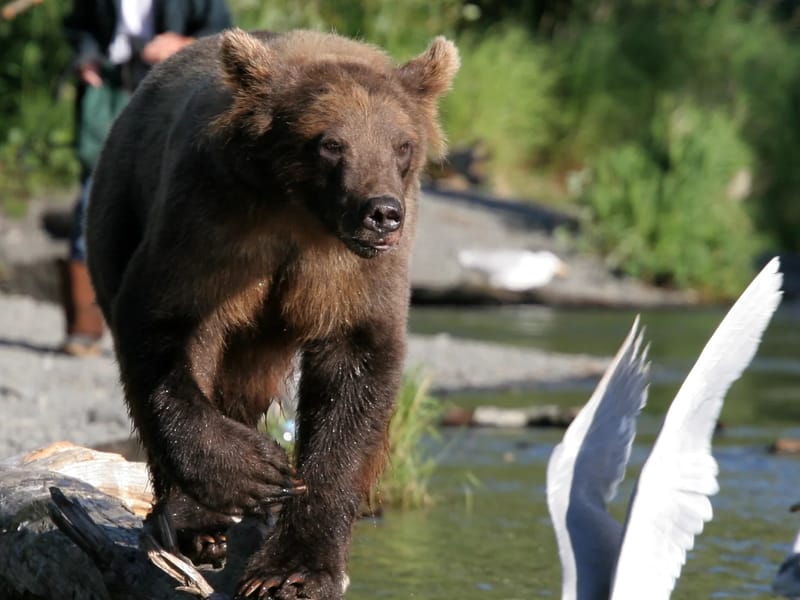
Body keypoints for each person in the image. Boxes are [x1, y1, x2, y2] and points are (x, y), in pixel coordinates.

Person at [60, 0, 232, 356]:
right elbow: (80, 26)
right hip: (109, 88)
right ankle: (85, 325)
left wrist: (181, 45)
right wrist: (87, 57)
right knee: (94, 197)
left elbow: (225, 36)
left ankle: (184, 332)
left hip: (175, 93)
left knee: (172, 204)